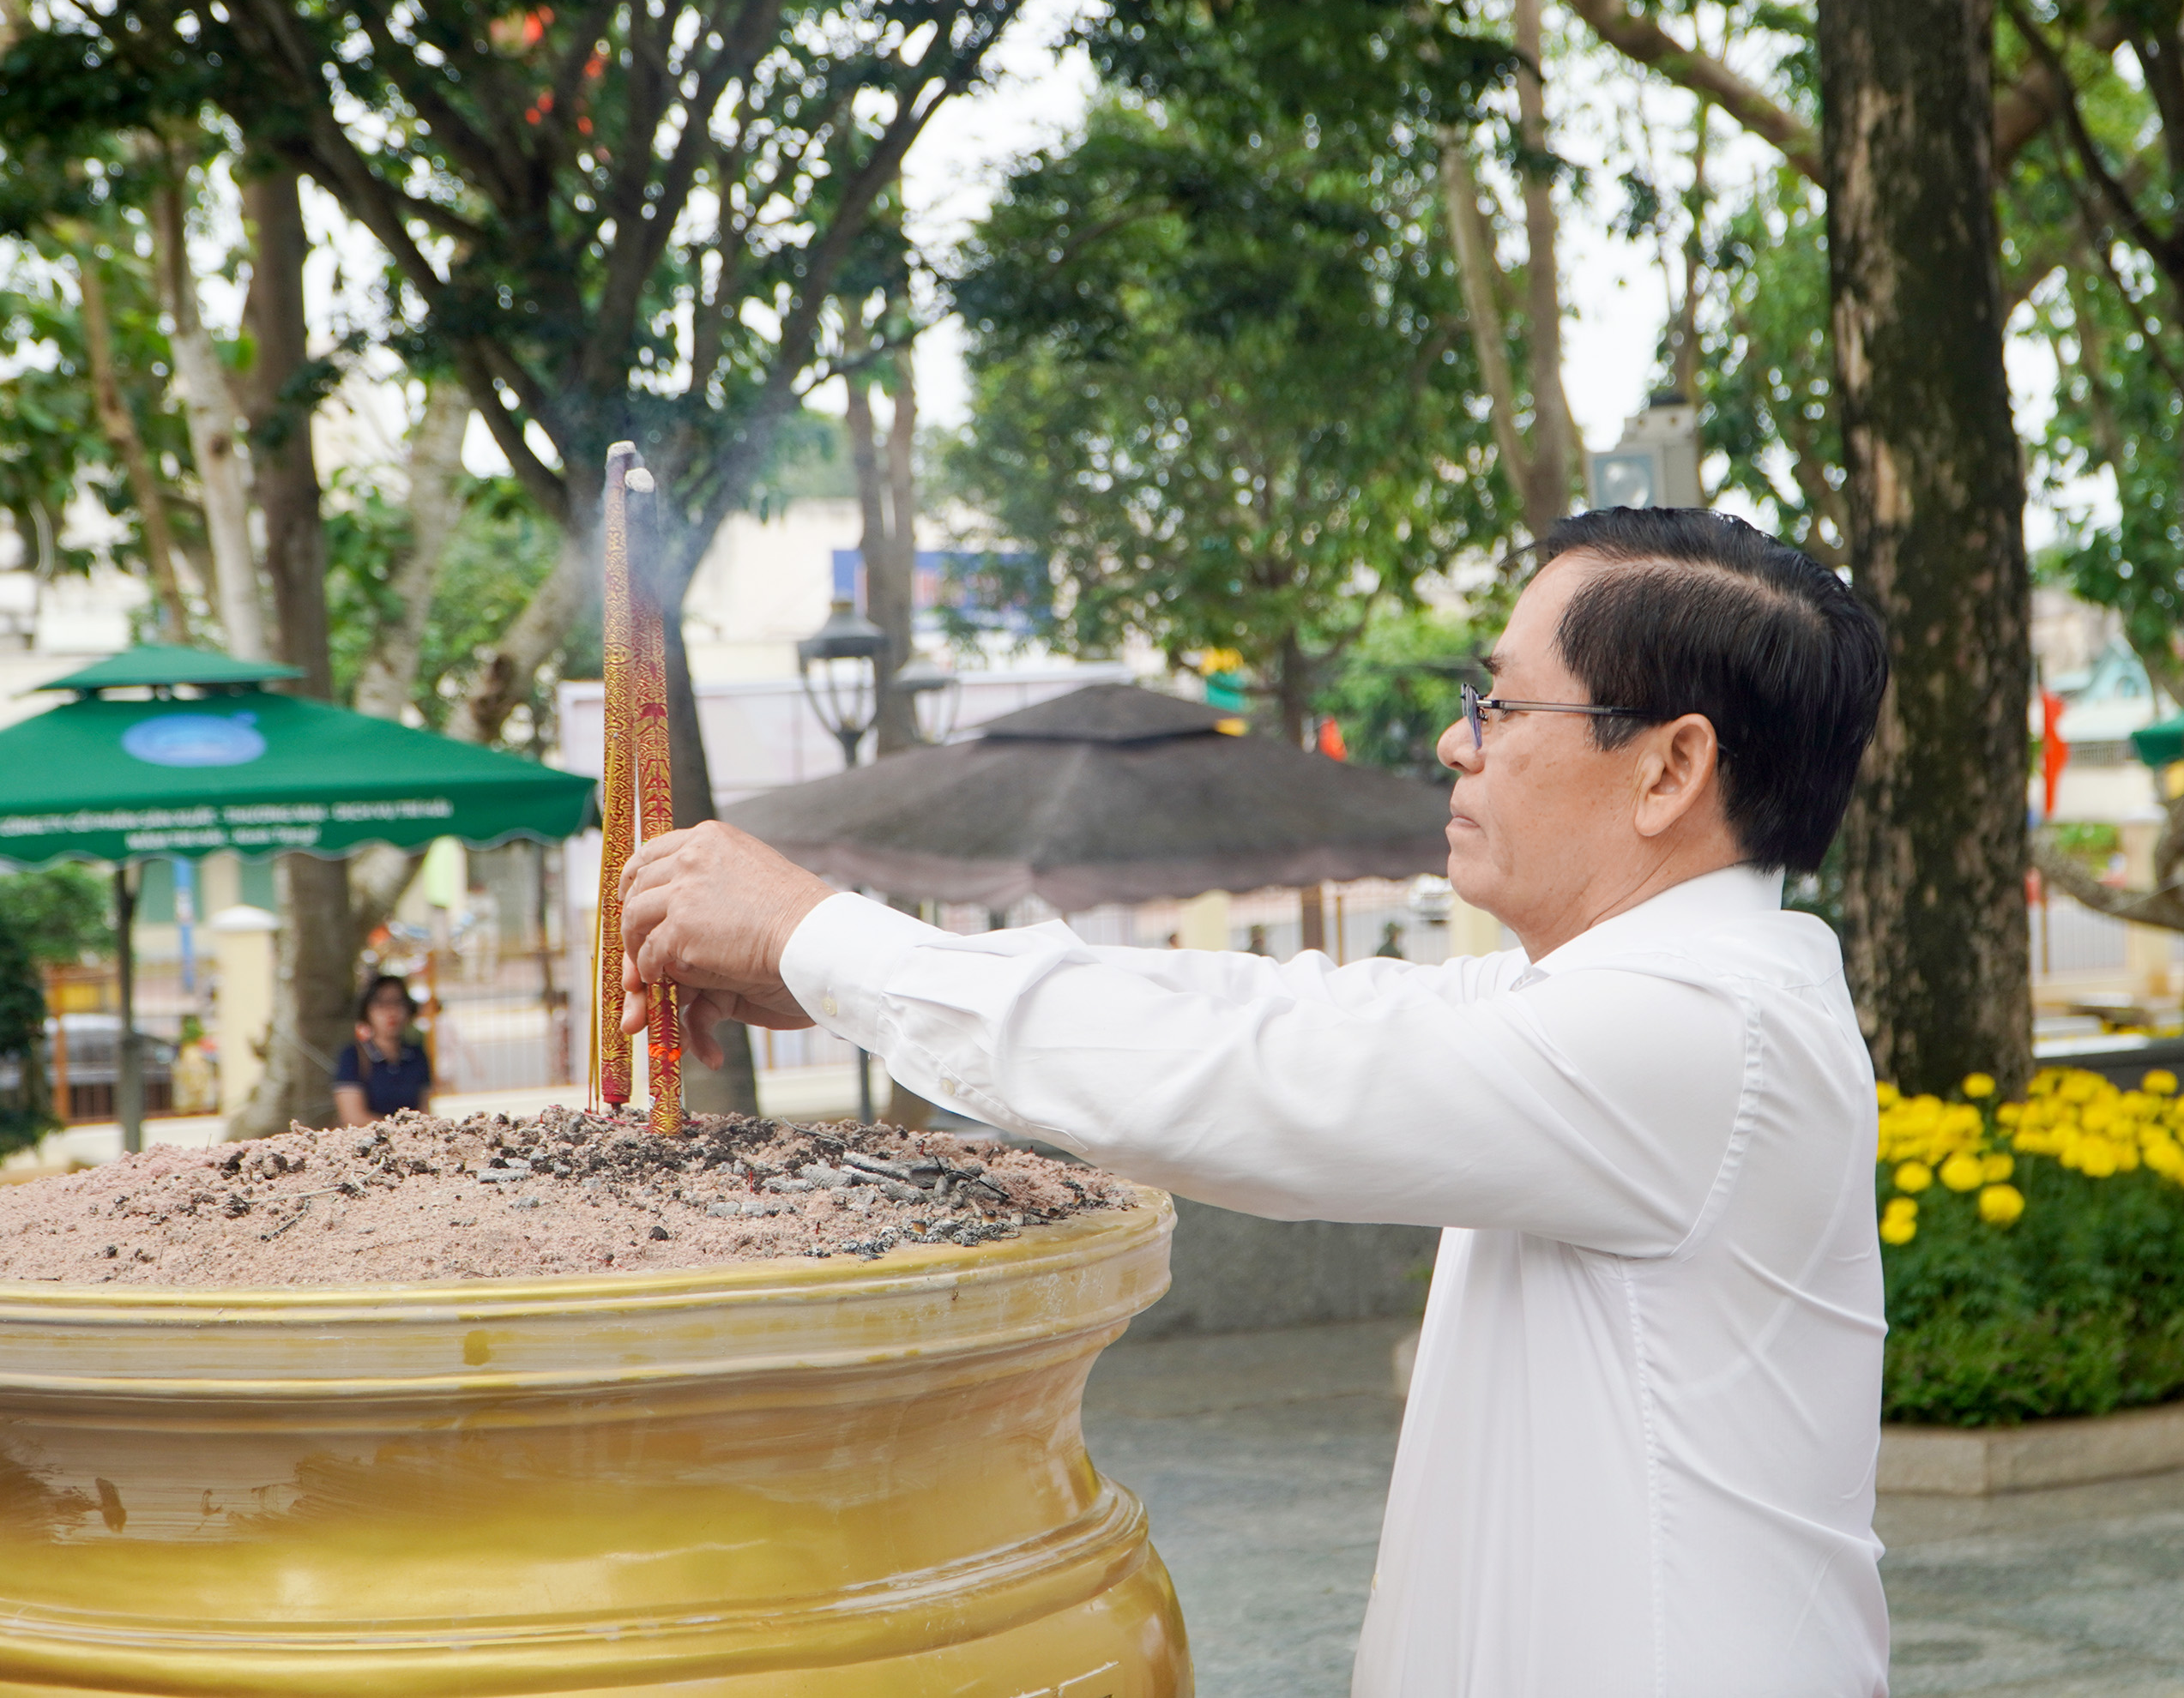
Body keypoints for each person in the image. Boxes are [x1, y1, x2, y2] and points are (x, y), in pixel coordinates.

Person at [619, 506, 1893, 1697]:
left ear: (1671, 767)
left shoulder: (1699, 1028)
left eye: (1499, 705)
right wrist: (836, 975)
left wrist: (816, 934)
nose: (1459, 741)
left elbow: (1259, 1069)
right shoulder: (1634, 1002)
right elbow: (1266, 1008)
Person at [332, 974, 431, 1125]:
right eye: (381, 1004)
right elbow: (353, 1117)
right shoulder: (353, 1056)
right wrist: (398, 1131)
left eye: (398, 1002)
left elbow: (424, 1109)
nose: (391, 1012)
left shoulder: (416, 1055)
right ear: (367, 1011)